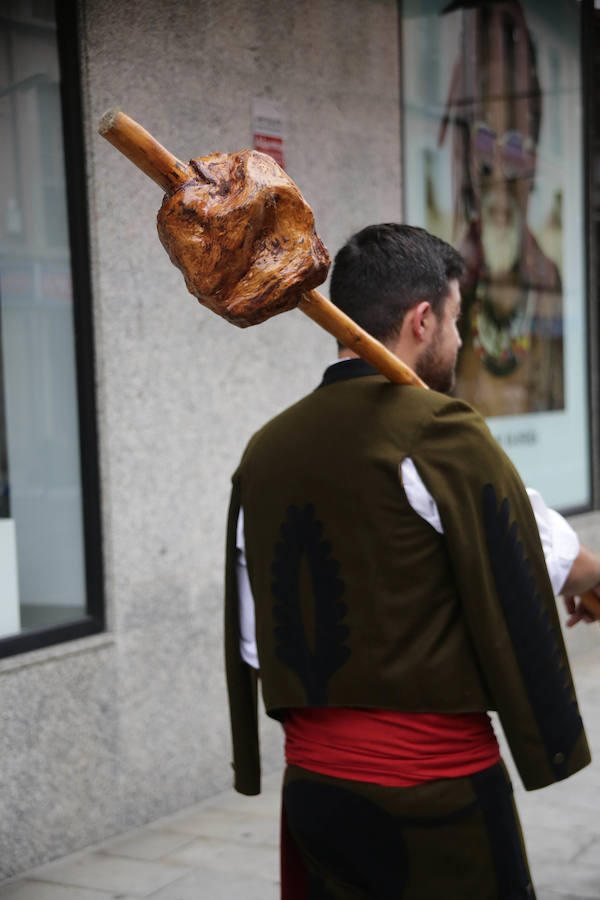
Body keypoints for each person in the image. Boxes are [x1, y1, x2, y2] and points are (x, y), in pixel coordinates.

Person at [224, 223, 600, 899]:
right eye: (457, 320)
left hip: (314, 792)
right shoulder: (439, 430)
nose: (459, 341)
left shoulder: (263, 451)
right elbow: (525, 552)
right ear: (423, 320)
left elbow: (255, 642)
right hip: (432, 797)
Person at [438, 0, 564, 416]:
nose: (500, 185)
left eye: (517, 148)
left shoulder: (548, 279)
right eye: (486, 147)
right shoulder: (447, 281)